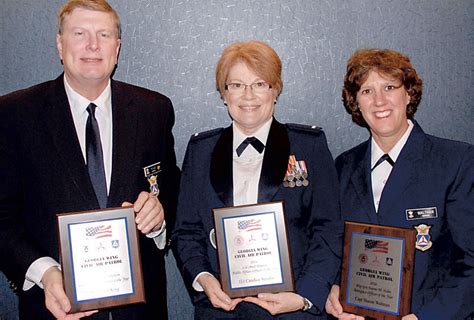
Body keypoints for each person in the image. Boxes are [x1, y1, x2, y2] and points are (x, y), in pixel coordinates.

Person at [0, 0, 180, 320]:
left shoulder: (153, 110)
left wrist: (160, 215)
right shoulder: (13, 115)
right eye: (80, 33)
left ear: (117, 47)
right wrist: (43, 272)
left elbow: (171, 188)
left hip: (141, 311)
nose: (93, 45)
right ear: (59, 44)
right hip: (55, 307)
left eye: (104, 35)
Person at [172, 40, 342, 319]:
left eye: (260, 84)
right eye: (236, 85)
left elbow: (328, 230)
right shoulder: (201, 151)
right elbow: (186, 231)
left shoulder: (308, 146)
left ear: (275, 90)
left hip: (291, 312)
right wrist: (203, 278)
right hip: (220, 312)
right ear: (224, 95)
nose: (248, 95)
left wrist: (303, 297)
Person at [325, 49, 473, 320]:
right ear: (356, 102)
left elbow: (471, 260)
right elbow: (336, 246)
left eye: (389, 87)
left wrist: (428, 318)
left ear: (408, 94)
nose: (379, 101)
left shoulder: (455, 162)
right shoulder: (343, 166)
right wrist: (334, 288)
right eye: (367, 91)